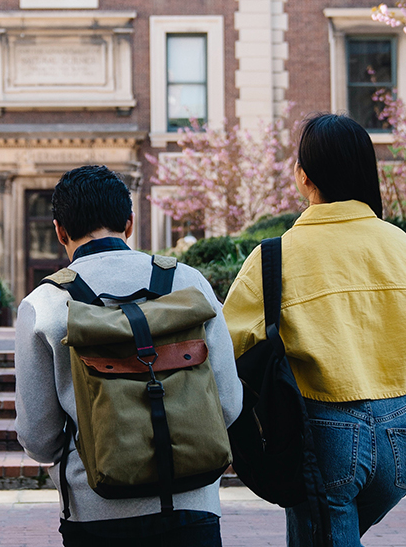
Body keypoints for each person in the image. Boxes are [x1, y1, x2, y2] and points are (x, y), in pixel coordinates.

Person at [222, 114, 406, 547]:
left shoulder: (274, 258)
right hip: (404, 431)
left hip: (325, 434)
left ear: (303, 176)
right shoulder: (405, 248)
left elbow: (227, 346)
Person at [14, 165, 242, 547]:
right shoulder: (189, 282)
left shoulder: (43, 304)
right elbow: (229, 404)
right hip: (194, 503)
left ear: (59, 231)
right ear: (130, 223)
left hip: (95, 512)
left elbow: (39, 439)